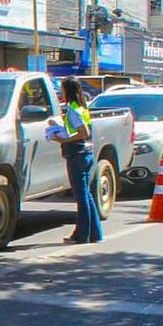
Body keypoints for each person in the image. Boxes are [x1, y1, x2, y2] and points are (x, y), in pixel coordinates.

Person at [51, 76, 103, 245]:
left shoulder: (73, 110)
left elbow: (83, 132)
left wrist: (62, 139)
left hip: (77, 155)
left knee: (81, 196)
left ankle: (82, 234)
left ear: (68, 91)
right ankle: (94, 233)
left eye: (63, 89)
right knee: (86, 195)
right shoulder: (81, 107)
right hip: (85, 154)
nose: (61, 92)